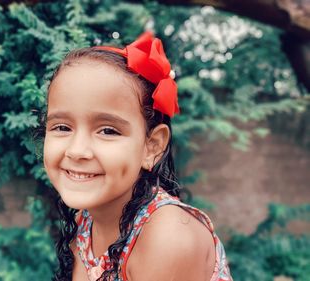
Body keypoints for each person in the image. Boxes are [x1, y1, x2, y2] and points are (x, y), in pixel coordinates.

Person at [42, 31, 233, 281]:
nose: (77, 150)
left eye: (108, 131)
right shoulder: (86, 221)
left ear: (152, 146)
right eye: (62, 127)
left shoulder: (168, 238)